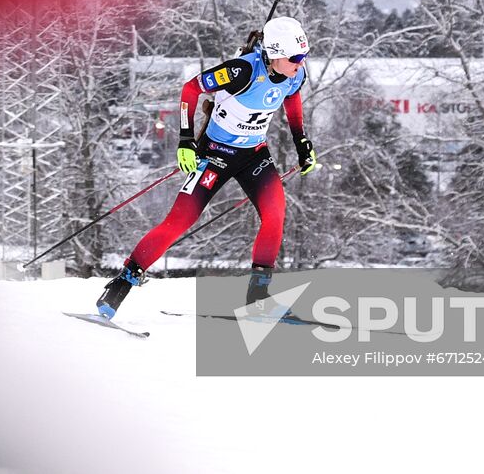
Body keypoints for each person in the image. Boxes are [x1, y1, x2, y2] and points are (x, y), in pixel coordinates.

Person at [95, 16, 320, 319]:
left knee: (275, 214)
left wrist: (301, 141)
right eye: (295, 57)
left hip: (254, 154)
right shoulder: (242, 71)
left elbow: (291, 98)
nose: (300, 63)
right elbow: (191, 89)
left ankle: (258, 300)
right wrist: (186, 141)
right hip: (215, 153)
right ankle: (121, 283)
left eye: (303, 56)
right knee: (179, 221)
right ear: (276, 53)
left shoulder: (295, 74)